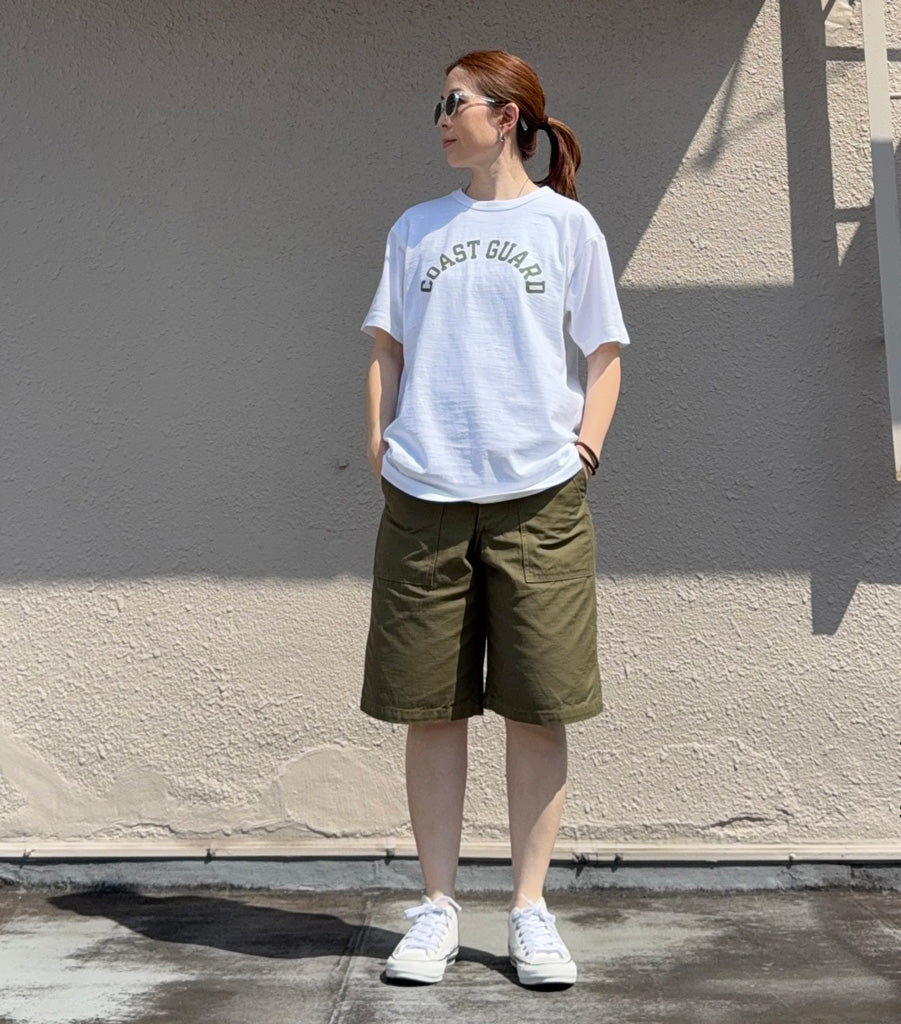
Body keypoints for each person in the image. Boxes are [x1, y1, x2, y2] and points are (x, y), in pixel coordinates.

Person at [361, 49, 629, 988]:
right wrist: (382, 446)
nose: (441, 118)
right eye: (438, 105)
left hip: (540, 502)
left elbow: (604, 351)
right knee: (430, 711)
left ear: (507, 116)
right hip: (425, 499)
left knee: (539, 706)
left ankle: (529, 910)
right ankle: (437, 907)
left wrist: (585, 450)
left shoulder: (566, 226)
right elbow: (386, 346)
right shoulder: (417, 227)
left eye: (456, 102)